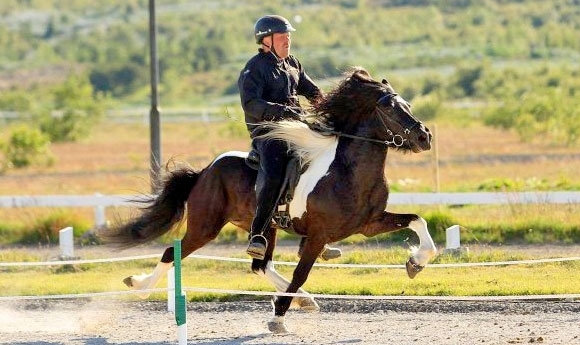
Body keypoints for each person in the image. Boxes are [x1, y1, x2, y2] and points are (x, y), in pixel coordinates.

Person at [237, 14, 342, 261]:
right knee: (274, 172)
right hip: (269, 132)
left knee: (324, 160)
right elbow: (250, 103)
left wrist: (329, 105)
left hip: (296, 128)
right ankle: (258, 233)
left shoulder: (292, 63)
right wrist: (279, 110)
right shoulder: (254, 68)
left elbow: (313, 91)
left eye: (289, 36)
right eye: (283, 36)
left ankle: (313, 235)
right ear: (266, 40)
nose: (288, 41)